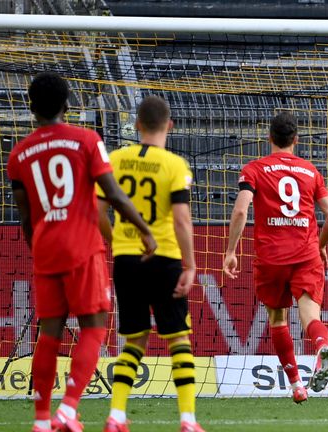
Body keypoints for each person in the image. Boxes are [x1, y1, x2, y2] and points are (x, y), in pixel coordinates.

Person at [7, 72, 157, 432]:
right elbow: (115, 195)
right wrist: (143, 229)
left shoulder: (18, 154)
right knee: (94, 326)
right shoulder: (86, 140)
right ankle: (68, 408)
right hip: (82, 246)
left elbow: (26, 218)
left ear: (30, 107)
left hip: (45, 248)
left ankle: (42, 419)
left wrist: (39, 247)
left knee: (49, 333)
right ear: (67, 104)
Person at [96, 95, 204, 432]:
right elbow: (182, 220)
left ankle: (116, 415)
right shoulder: (175, 165)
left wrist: (116, 242)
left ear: (137, 125)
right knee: (179, 340)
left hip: (127, 259)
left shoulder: (115, 158)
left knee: (133, 341)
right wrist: (189, 265)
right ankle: (187, 420)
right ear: (169, 126)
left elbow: (97, 209)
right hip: (166, 259)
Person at [223, 112, 328, 403]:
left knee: (278, 320)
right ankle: (322, 345)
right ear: (296, 140)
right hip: (305, 254)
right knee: (310, 316)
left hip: (271, 257)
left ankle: (297, 385)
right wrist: (321, 245)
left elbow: (240, 210)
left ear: (269, 138)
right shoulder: (311, 171)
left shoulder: (254, 169)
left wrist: (230, 251)